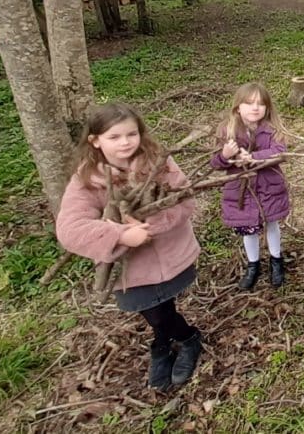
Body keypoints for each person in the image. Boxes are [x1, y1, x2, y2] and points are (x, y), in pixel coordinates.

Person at [56, 102, 202, 391]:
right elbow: (69, 229)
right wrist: (121, 235)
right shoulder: (87, 180)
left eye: (131, 134)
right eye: (114, 137)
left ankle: (165, 344)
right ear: (95, 141)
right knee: (155, 312)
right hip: (133, 269)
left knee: (163, 308)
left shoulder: (159, 163)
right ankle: (185, 339)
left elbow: (186, 202)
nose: (125, 143)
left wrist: (152, 227)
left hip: (173, 255)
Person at [210, 82, 291, 290]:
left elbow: (280, 151)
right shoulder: (226, 130)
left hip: (268, 187)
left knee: (271, 223)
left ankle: (276, 261)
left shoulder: (272, 129)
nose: (255, 108)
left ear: (267, 108)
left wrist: (254, 158)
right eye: (249, 103)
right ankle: (253, 265)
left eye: (260, 104)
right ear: (238, 107)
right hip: (241, 191)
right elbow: (215, 162)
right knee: (248, 229)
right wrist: (225, 156)